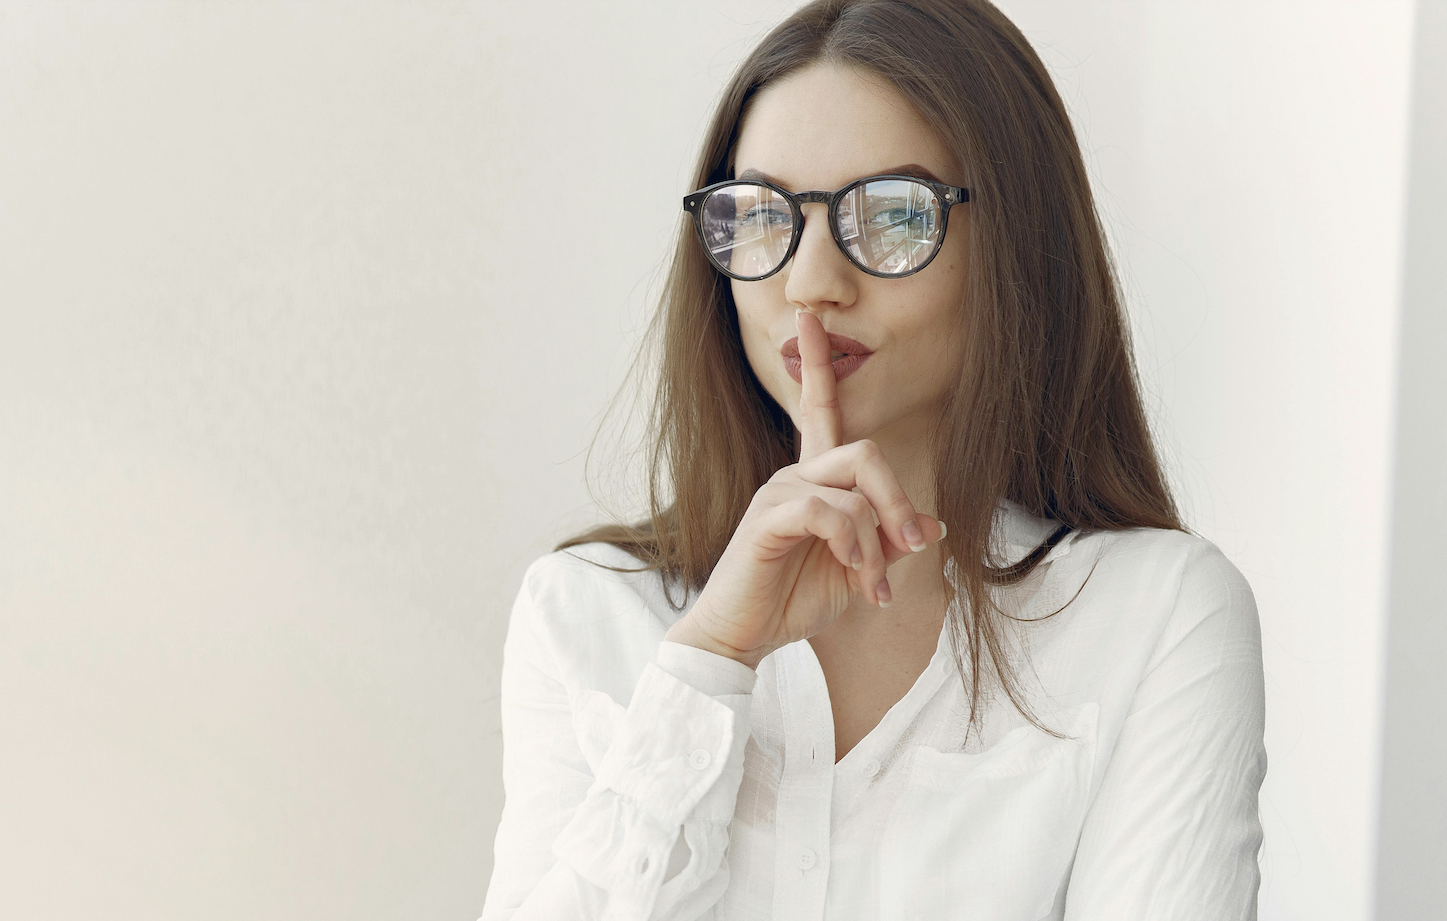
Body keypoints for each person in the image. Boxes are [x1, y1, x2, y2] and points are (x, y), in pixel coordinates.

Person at [477, 0, 1268, 919]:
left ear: (1017, 244)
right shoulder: (585, 611)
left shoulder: (1154, 615)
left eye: (893, 216)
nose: (810, 281)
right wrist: (709, 663)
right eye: (763, 216)